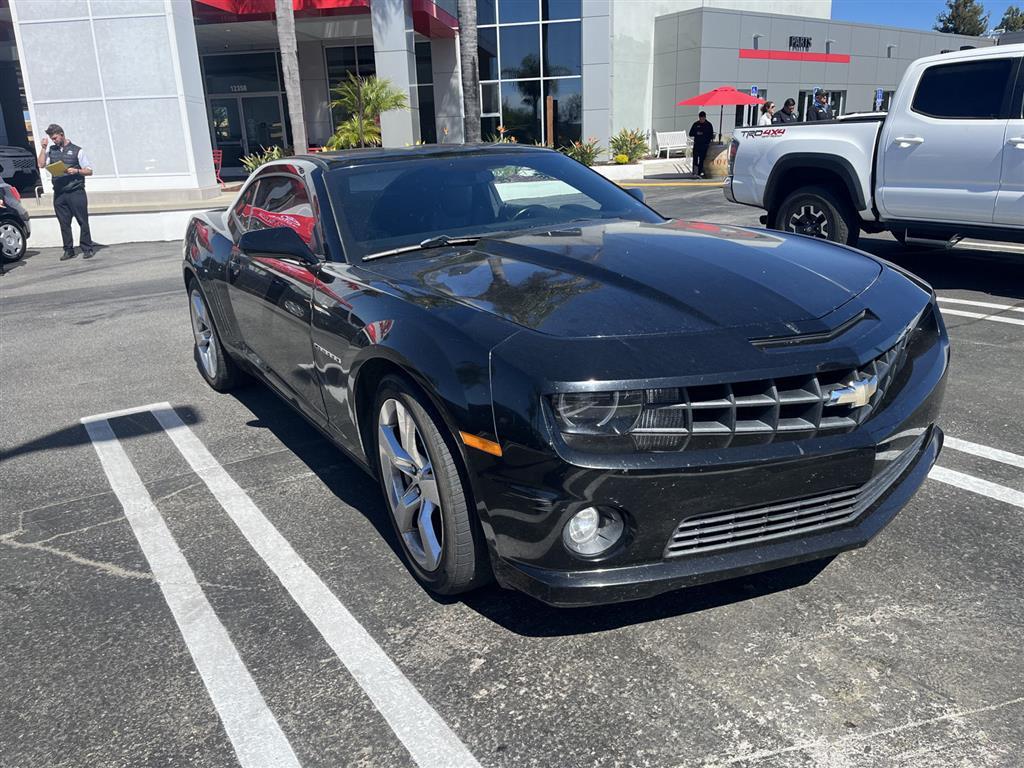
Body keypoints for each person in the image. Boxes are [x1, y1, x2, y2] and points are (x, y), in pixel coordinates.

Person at [37, 124, 94, 260]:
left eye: (55, 138)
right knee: (64, 223)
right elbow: (41, 164)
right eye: (52, 139)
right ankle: (68, 250)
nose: (54, 141)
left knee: (82, 221)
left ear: (62, 134)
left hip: (76, 191)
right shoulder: (52, 150)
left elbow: (89, 170)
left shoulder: (77, 150)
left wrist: (77, 171)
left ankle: (87, 248)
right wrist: (43, 148)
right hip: (59, 192)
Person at [688, 111, 714, 178]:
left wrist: (705, 136)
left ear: (705, 117)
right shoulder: (696, 124)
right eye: (700, 118)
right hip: (697, 144)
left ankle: (699, 172)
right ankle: (695, 172)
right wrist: (697, 133)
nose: (701, 120)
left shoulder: (708, 125)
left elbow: (711, 135)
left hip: (704, 145)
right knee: (695, 159)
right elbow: (690, 133)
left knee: (702, 159)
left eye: (702, 118)